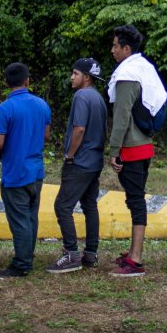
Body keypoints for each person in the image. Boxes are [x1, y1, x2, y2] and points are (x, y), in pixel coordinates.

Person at [105, 25, 165, 278]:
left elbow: (121, 115)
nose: (112, 50)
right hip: (144, 145)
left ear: (126, 48)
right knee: (135, 199)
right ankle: (132, 253)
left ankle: (136, 259)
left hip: (131, 146)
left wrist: (113, 149)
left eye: (115, 46)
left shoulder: (128, 73)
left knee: (136, 201)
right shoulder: (145, 68)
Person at [0, 62, 51, 278]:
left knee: (19, 220)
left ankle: (22, 263)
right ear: (27, 81)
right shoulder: (42, 105)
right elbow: (46, 136)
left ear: (6, 83)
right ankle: (28, 255)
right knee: (31, 216)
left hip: (15, 172)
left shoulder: (5, 109)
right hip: (36, 171)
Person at [48, 58, 108, 274]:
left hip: (80, 161)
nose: (72, 77)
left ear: (87, 77)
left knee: (63, 206)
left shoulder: (81, 96)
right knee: (89, 205)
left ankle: (71, 254)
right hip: (94, 161)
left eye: (75, 73)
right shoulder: (98, 98)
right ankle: (90, 253)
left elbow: (79, 129)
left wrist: (69, 155)